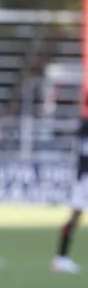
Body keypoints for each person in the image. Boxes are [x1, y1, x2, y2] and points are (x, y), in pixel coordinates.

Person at [52, 117, 88, 273]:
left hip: (83, 176)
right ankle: (61, 258)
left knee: (75, 216)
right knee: (75, 216)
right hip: (85, 178)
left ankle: (61, 258)